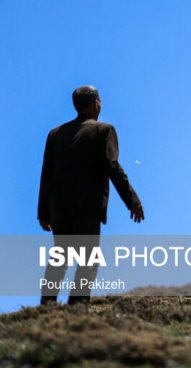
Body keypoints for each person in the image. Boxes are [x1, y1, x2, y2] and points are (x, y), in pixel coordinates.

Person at [37, 85, 144, 305]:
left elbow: (46, 174)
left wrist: (42, 212)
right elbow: (113, 167)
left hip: (57, 206)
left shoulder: (55, 134)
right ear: (96, 103)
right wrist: (132, 201)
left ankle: (46, 305)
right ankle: (77, 307)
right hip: (86, 205)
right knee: (87, 260)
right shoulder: (103, 130)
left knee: (61, 256)